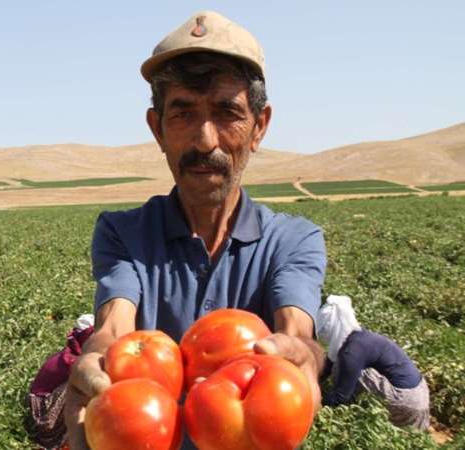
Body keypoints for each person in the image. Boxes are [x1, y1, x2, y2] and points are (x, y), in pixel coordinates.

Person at [64, 11, 328, 449]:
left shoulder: (294, 241)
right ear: (158, 129)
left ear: (259, 127)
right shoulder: (122, 234)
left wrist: (304, 359)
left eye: (228, 112)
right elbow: (114, 327)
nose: (206, 141)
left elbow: (297, 334)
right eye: (183, 113)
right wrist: (96, 359)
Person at [316, 295, 430, 430]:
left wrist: (317, 406)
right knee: (341, 365)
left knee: (342, 370)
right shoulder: (359, 337)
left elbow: (341, 396)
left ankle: (362, 416)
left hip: (406, 402)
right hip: (420, 396)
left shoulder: (351, 352)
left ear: (333, 328)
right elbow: (327, 364)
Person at [27, 314, 95, 450]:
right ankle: (67, 438)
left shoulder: (71, 353)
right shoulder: (71, 360)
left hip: (44, 403)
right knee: (82, 386)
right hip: (43, 413)